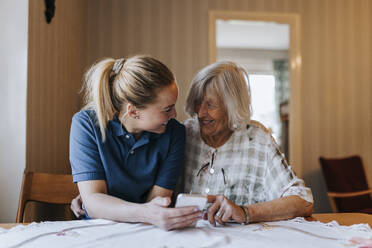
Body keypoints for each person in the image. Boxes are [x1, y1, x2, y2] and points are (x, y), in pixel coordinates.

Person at [69, 55, 202, 231]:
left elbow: (157, 203)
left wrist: (105, 205)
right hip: (97, 230)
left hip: (146, 230)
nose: (174, 115)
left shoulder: (174, 132)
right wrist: (144, 212)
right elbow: (94, 203)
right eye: (167, 109)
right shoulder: (87, 124)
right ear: (133, 112)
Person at [182, 61, 313, 226]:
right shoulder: (184, 134)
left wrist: (245, 212)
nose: (200, 113)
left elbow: (303, 201)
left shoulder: (257, 140)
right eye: (197, 102)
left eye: (210, 104)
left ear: (232, 106)